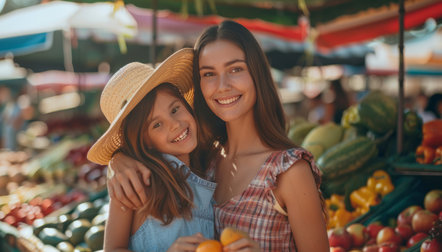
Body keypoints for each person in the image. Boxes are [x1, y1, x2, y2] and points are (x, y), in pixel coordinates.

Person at [108, 20, 329, 251]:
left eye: (235, 69)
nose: (222, 86)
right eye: (209, 73)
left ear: (257, 73)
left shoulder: (288, 170)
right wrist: (118, 161)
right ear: (200, 83)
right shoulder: (203, 160)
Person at [87, 49, 218, 252]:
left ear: (186, 105)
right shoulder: (136, 185)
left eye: (175, 109)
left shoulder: (208, 166)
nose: (174, 125)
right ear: (143, 140)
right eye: (157, 125)